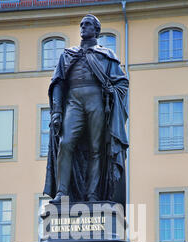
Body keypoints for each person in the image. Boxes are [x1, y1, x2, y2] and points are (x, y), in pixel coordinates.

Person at [43, 14, 129, 205]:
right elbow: (57, 83)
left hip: (96, 100)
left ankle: (93, 195)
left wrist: (112, 92)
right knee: (65, 144)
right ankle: (62, 193)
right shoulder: (67, 54)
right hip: (73, 100)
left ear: (96, 30)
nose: (83, 27)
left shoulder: (106, 55)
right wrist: (57, 111)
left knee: (96, 149)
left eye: (88, 24)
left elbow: (122, 83)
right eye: (81, 24)